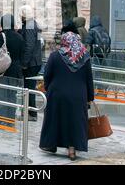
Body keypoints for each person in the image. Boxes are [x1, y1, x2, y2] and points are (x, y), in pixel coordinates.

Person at [39, 32, 94, 160]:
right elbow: (89, 79)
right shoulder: (84, 56)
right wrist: (90, 97)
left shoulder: (55, 56)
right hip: (78, 95)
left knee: (55, 120)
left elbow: (47, 75)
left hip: (57, 94)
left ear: (64, 41)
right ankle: (72, 150)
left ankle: (51, 144)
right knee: (74, 122)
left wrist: (47, 88)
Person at [0, 14, 25, 127]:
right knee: (12, 95)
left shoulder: (2, 36)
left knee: (1, 94)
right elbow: (22, 55)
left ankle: (2, 119)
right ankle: (10, 120)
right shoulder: (19, 37)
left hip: (4, 69)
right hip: (16, 69)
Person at [19, 7, 42, 122]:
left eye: (21, 15)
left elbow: (29, 46)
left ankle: (31, 114)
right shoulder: (34, 24)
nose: (20, 17)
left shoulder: (29, 26)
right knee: (30, 88)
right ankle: (30, 113)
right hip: (35, 61)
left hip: (31, 62)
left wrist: (24, 63)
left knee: (29, 88)